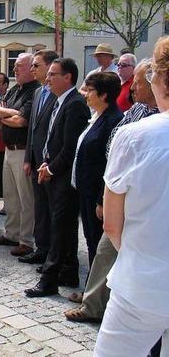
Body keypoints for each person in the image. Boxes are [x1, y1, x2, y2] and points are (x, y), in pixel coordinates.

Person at [64, 60, 159, 323]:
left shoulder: (137, 118)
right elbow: (113, 154)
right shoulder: (136, 111)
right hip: (114, 194)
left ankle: (108, 304)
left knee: (112, 251)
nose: (133, 88)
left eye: (138, 82)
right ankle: (95, 303)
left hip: (139, 202)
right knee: (103, 251)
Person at [93, 37, 169, 356]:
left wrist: (142, 255)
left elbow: (112, 225)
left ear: (162, 80)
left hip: (142, 285)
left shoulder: (134, 135)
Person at [25, 58, 90, 298]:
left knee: (60, 228)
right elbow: (52, 137)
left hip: (63, 177)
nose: (48, 78)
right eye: (49, 74)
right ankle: (69, 270)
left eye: (53, 74)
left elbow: (70, 147)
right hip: (52, 171)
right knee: (63, 226)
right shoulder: (58, 100)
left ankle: (49, 279)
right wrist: (45, 162)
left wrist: (51, 168)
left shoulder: (74, 104)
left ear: (68, 77)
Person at [0, 53, 39, 257]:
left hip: (23, 150)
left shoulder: (35, 91)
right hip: (9, 149)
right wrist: (12, 114)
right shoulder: (14, 90)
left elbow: (22, 121)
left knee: (25, 198)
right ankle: (12, 233)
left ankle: (26, 240)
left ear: (31, 68)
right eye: (15, 66)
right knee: (10, 196)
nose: (15, 69)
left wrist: (6, 115)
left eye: (19, 66)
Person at [72, 72, 122, 267]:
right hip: (86, 191)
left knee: (97, 243)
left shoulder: (113, 121)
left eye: (90, 90)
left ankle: (96, 294)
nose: (86, 94)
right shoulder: (98, 116)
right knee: (91, 240)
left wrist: (101, 200)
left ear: (104, 95)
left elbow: (111, 164)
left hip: (97, 196)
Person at [21, 50, 59, 265]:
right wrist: (28, 157)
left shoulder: (57, 94)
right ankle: (41, 248)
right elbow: (32, 130)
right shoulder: (38, 92)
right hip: (35, 160)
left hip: (50, 163)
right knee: (40, 208)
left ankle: (53, 254)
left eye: (37, 65)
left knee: (52, 209)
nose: (33, 69)